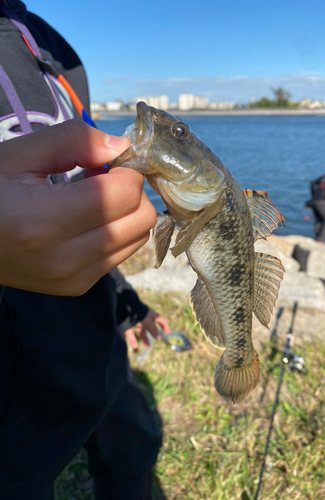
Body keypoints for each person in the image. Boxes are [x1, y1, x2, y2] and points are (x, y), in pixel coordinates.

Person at [0, 1, 170, 499]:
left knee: (132, 445)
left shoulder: (56, 49)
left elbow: (80, 180)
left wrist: (124, 300)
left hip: (95, 336)